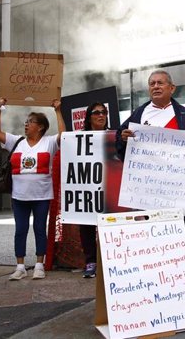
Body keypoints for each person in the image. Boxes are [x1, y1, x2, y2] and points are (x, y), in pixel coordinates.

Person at [116, 69, 185, 302]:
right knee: (152, 236)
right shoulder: (138, 114)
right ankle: (156, 282)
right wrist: (123, 139)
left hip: (181, 188)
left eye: (160, 83)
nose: (155, 86)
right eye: (152, 83)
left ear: (172, 88)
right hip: (148, 190)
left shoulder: (184, 114)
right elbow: (120, 146)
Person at [0, 97, 65, 281]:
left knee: (40, 228)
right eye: (26, 122)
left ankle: (39, 265)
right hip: (19, 196)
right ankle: (20, 266)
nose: (26, 125)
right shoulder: (17, 142)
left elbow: (64, 135)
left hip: (41, 195)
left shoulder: (49, 142)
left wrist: (57, 110)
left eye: (30, 122)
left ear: (40, 127)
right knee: (20, 230)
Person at [79, 102, 109, 279]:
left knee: (108, 225)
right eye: (96, 112)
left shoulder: (114, 135)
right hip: (87, 188)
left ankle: (109, 261)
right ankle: (91, 261)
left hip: (108, 188)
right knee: (87, 225)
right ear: (89, 117)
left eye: (103, 112)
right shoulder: (79, 138)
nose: (101, 115)